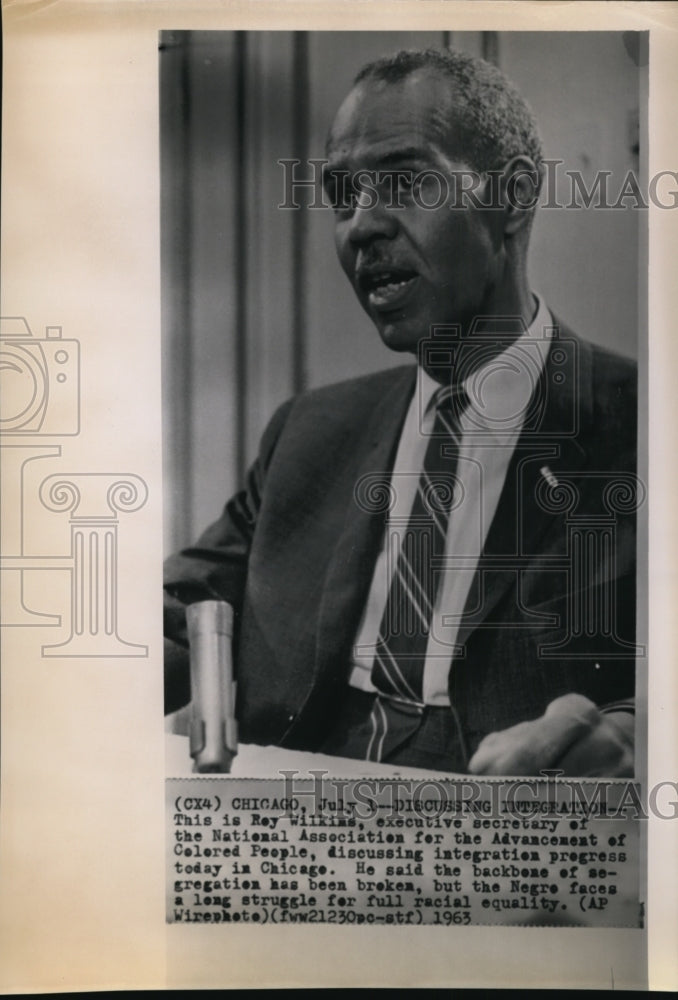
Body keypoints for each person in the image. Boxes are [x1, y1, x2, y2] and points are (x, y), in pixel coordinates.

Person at [164, 48, 638, 776]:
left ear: (511, 197)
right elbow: (171, 621)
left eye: (405, 183)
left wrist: (637, 731)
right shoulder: (310, 433)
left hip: (503, 834)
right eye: (343, 196)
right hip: (295, 805)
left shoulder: (644, 426)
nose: (360, 228)